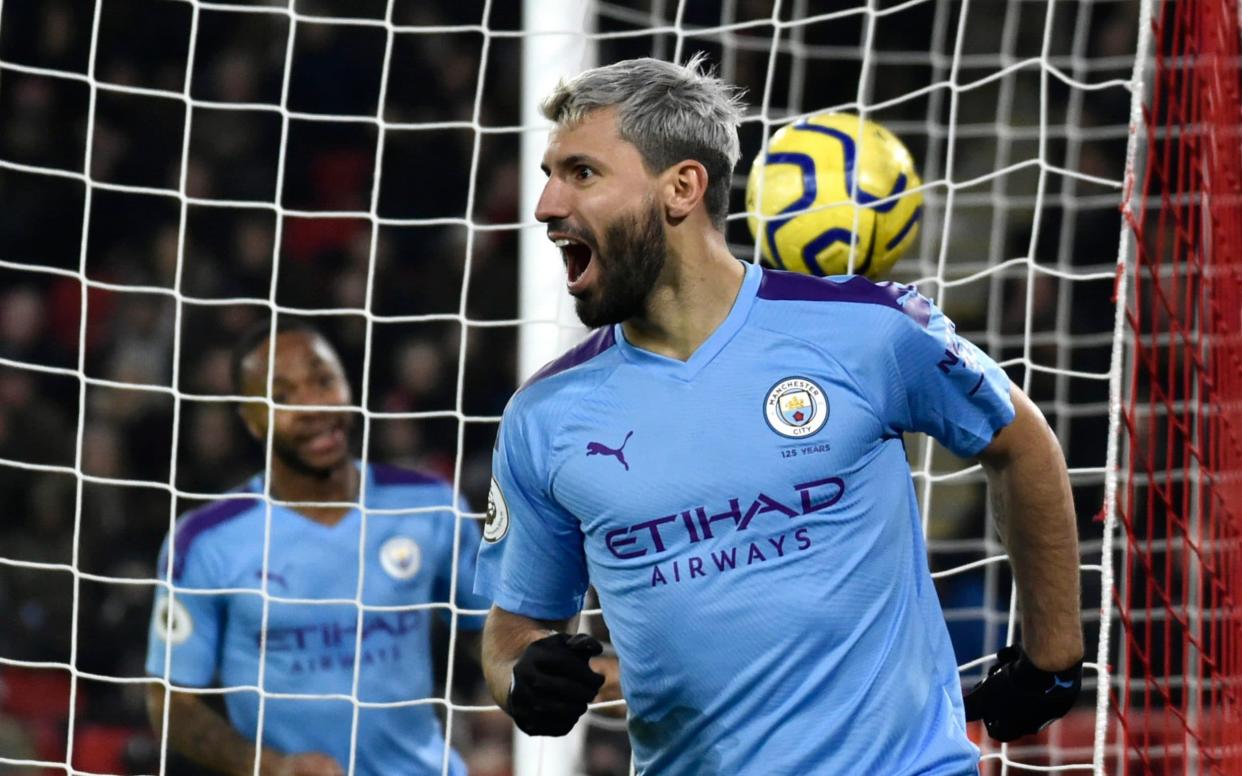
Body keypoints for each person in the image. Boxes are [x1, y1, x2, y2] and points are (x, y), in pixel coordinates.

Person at [474, 55, 1084, 775]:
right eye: (549, 175)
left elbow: (1020, 440)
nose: (545, 205)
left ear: (682, 188)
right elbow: (515, 626)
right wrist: (524, 676)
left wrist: (1052, 658)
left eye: (581, 173)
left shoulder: (870, 330)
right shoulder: (543, 416)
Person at [144, 318, 491, 776]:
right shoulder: (205, 541)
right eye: (283, 396)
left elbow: (493, 627)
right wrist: (271, 766)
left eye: (324, 381)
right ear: (251, 419)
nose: (314, 406)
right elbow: (169, 703)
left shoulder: (428, 505)